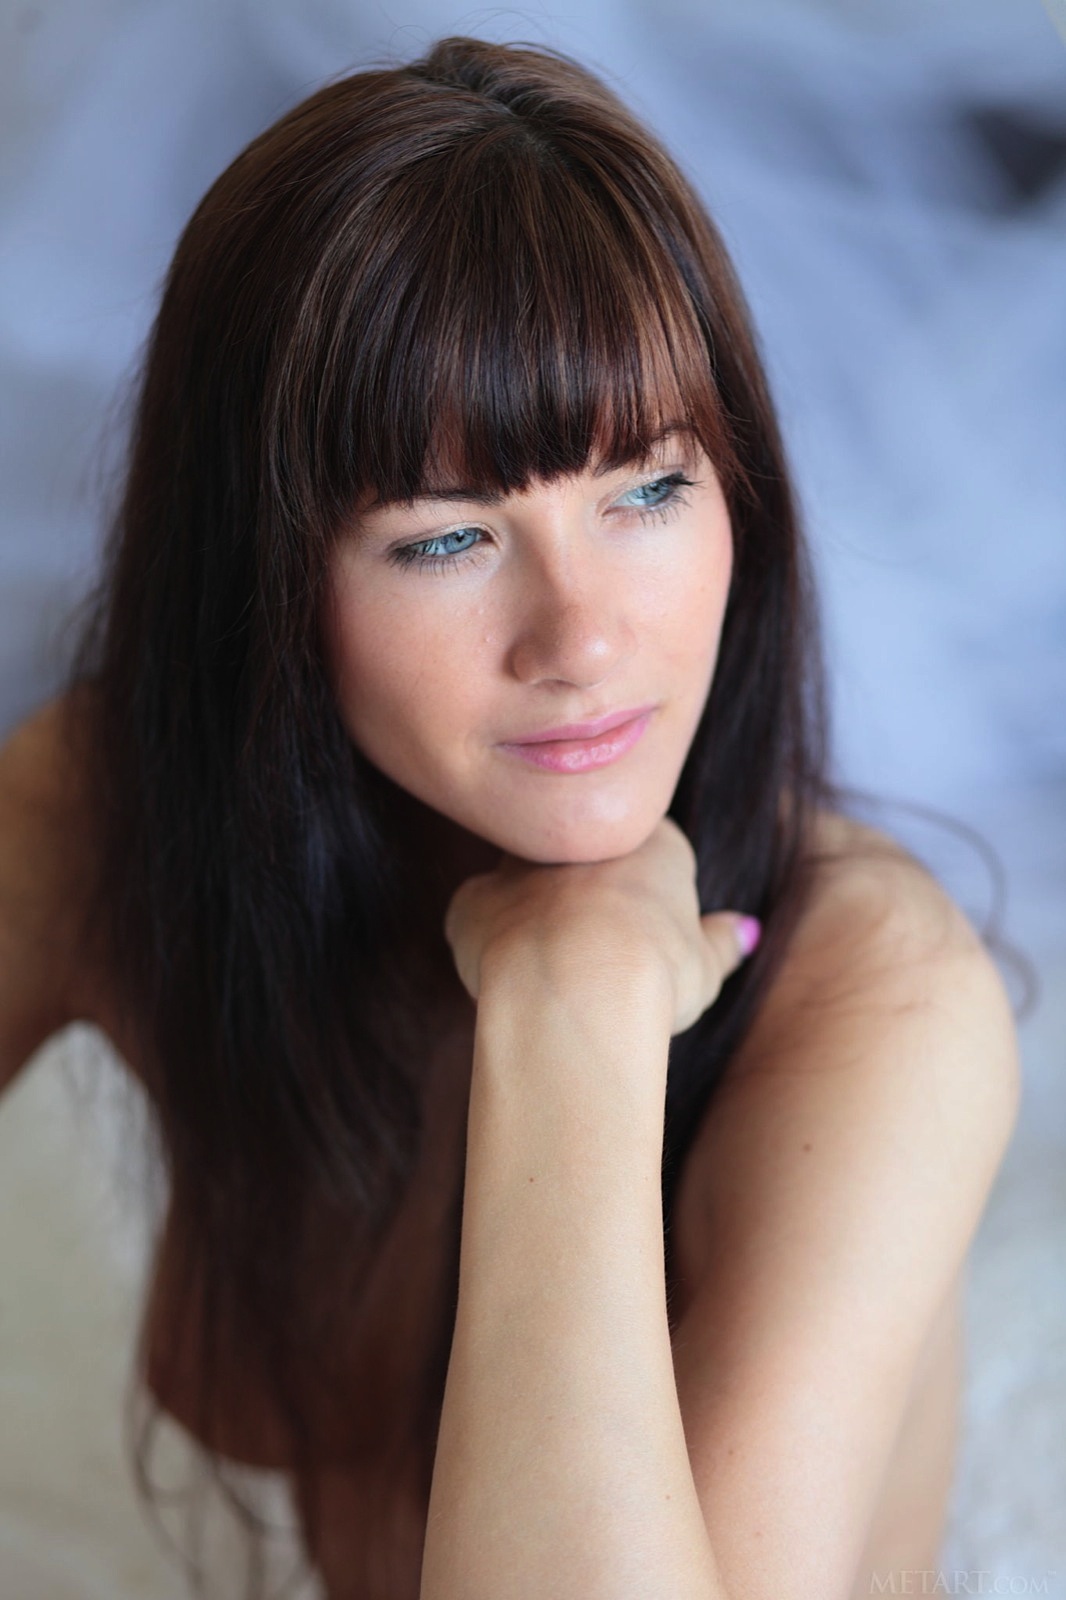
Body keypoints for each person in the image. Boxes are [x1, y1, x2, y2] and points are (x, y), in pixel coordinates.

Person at [0, 33, 1020, 1600]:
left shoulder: (878, 1001)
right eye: (445, 540)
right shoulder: (109, 813)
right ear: (263, 579)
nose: (581, 639)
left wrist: (574, 1017)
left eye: (647, 492)